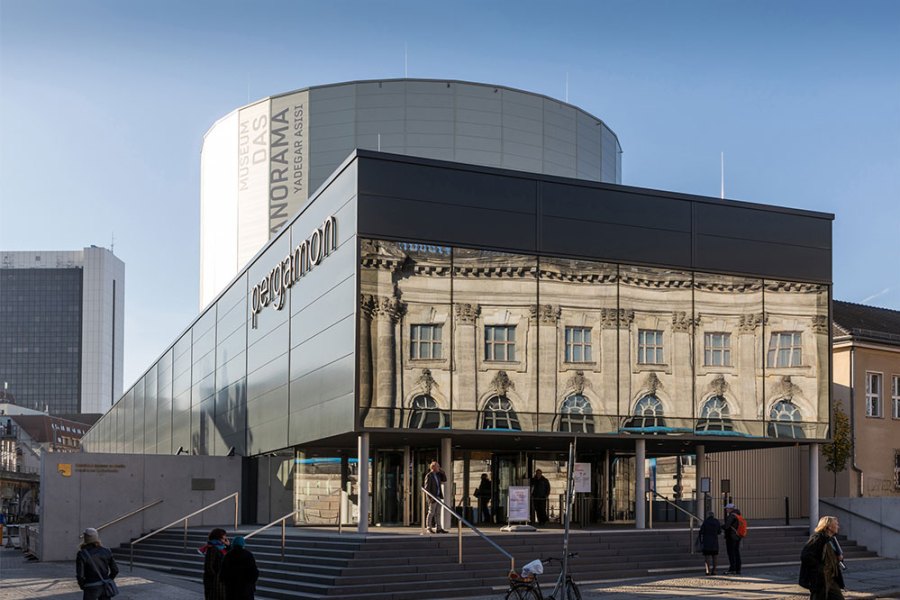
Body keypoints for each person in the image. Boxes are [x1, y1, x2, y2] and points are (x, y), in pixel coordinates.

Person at [800, 516, 845, 600]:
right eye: (836, 524)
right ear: (829, 526)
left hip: (831, 578)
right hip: (820, 578)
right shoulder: (818, 538)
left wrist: (839, 558)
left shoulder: (832, 539)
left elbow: (831, 556)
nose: (838, 526)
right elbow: (805, 555)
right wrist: (820, 568)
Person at [75, 527, 119, 600]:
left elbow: (80, 575)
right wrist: (108, 579)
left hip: (90, 586)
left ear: (85, 538)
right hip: (105, 586)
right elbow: (115, 570)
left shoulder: (82, 554)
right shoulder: (106, 551)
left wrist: (83, 585)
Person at [220, 536, 259, 600]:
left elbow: (223, 573)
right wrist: (251, 584)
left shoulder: (228, 556)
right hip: (246, 590)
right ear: (243, 544)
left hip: (231, 590)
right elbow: (254, 572)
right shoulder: (248, 555)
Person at [198, 527, 229, 600]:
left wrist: (228, 545)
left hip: (219, 578)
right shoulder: (212, 548)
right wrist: (215, 577)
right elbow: (209, 565)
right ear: (218, 537)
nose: (225, 538)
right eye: (224, 536)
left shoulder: (221, 547)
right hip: (214, 580)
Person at [424, 461, 448, 533]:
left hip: (438, 496)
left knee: (438, 513)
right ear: (433, 467)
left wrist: (442, 472)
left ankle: (439, 528)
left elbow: (445, 480)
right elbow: (426, 488)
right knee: (431, 512)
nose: (439, 468)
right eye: (437, 466)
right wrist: (430, 497)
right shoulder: (429, 475)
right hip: (432, 497)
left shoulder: (438, 475)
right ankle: (429, 527)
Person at [697, 511, 722, 575]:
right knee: (715, 556)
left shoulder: (706, 522)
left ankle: (708, 570)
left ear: (708, 515)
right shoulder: (716, 521)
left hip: (707, 541)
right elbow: (719, 531)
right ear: (713, 515)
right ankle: (714, 570)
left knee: (707, 557)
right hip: (715, 541)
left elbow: (701, 531)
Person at [723, 503, 742, 575]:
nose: (726, 510)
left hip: (731, 537)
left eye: (727, 508)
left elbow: (726, 526)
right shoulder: (738, 515)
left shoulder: (731, 516)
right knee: (736, 553)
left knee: (731, 553)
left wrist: (721, 526)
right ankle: (738, 569)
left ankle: (732, 569)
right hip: (737, 536)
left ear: (731, 509)